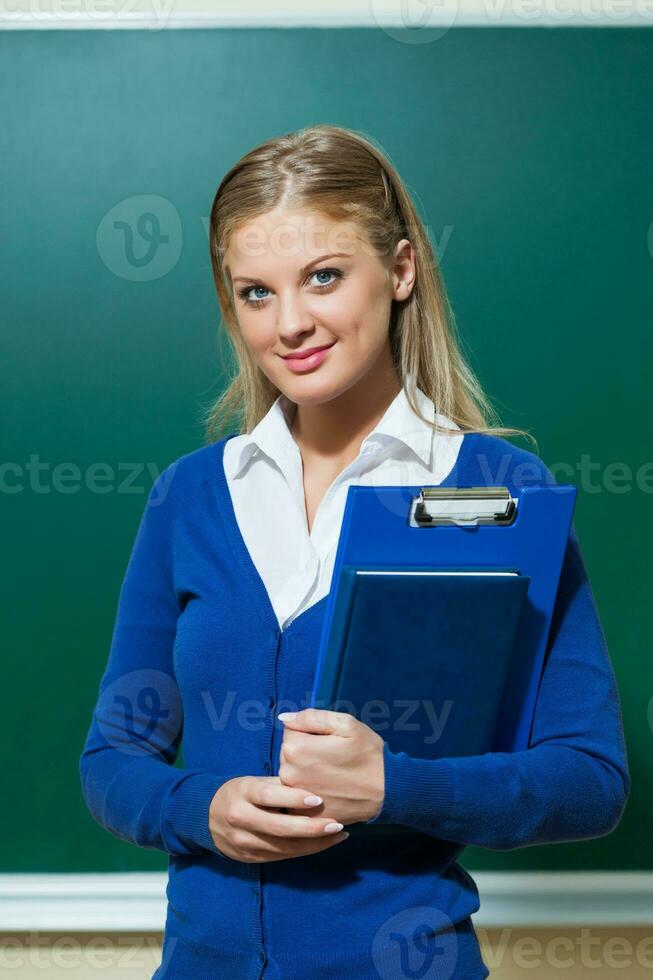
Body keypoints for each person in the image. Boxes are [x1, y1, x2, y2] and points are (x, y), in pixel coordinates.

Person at [79, 124, 630, 980]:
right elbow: (112, 760)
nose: (290, 323)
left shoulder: (495, 486)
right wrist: (202, 805)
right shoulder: (188, 494)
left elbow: (589, 779)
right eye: (255, 293)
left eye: (324, 277)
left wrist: (395, 788)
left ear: (402, 270)